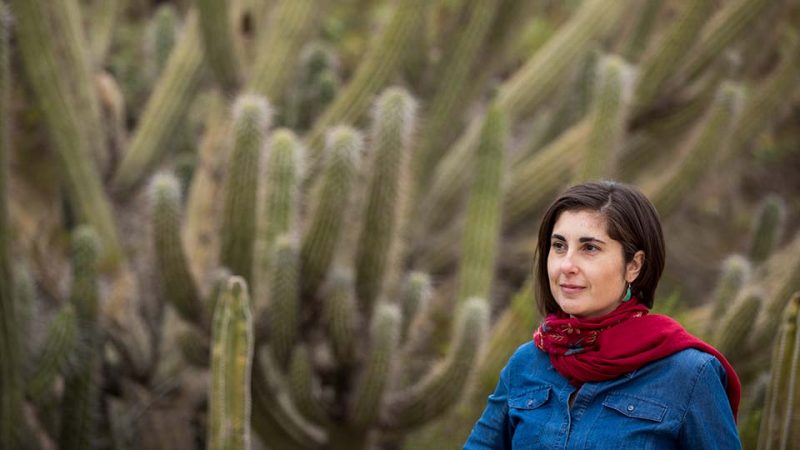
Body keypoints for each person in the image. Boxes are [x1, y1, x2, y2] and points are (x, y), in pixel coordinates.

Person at [463, 181, 741, 449]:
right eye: (559, 246)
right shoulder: (527, 364)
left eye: (590, 248)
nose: (567, 265)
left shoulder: (689, 373)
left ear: (634, 266)